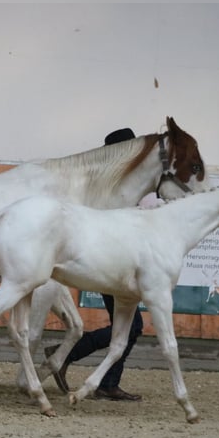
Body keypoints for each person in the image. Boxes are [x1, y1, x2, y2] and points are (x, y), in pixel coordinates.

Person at [46, 127, 144, 401]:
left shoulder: (115, 183)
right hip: (110, 263)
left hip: (115, 262)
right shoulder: (112, 186)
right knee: (131, 326)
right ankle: (75, 360)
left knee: (127, 326)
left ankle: (102, 379)